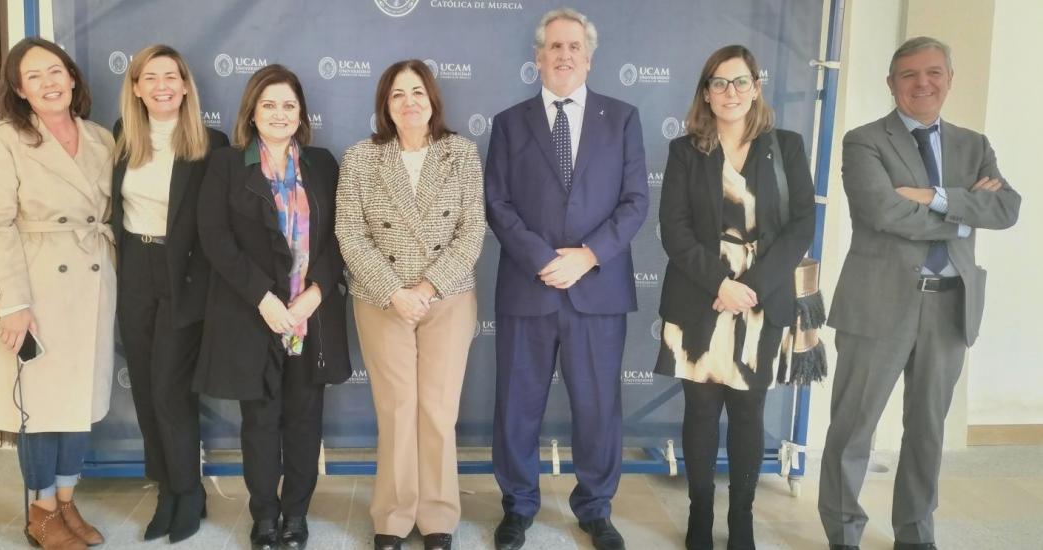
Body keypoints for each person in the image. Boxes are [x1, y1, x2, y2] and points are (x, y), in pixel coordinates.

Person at [819, 37, 1020, 550]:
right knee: (853, 429)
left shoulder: (974, 145)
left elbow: (1006, 209)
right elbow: (880, 212)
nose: (922, 83)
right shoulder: (864, 141)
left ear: (950, 79)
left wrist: (933, 197)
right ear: (892, 84)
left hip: (950, 306)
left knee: (928, 430)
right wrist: (964, 215)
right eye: (909, 74)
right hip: (877, 305)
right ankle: (843, 535)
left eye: (933, 72)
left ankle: (914, 534)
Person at [484, 8, 648, 550]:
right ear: (538, 57)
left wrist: (587, 256)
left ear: (589, 57)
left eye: (574, 46)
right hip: (528, 287)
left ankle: (596, 509)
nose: (564, 55)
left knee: (598, 408)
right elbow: (497, 203)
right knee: (517, 406)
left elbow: (635, 202)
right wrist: (542, 258)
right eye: (554, 46)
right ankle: (518, 506)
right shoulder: (510, 123)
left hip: (597, 289)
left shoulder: (621, 118)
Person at [654, 45, 815, 550]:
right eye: (719, 83)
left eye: (741, 81)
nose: (731, 92)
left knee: (748, 413)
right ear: (706, 93)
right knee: (701, 413)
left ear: (756, 87)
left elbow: (801, 226)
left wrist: (752, 287)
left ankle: (741, 519)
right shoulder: (685, 151)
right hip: (700, 294)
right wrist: (721, 285)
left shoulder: (786, 146)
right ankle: (700, 514)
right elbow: (674, 230)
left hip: (762, 299)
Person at [195, 64, 350, 550]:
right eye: (269, 105)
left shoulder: (322, 164)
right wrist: (264, 298)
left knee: (304, 421)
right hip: (254, 314)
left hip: (310, 317)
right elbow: (215, 238)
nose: (279, 114)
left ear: (301, 113)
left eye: (288, 105)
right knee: (260, 422)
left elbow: (342, 235)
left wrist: (314, 294)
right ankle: (264, 515)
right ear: (252, 112)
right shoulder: (227, 164)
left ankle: (296, 515)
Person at [0, 37, 115, 550]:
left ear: (72, 77)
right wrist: (12, 302)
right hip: (33, 285)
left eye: (55, 71)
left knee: (76, 400)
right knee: (38, 404)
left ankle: (68, 501)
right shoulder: (4, 140)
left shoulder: (101, 138)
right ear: (19, 90)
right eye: (34, 76)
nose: (49, 83)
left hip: (92, 283)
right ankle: (41, 509)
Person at [335, 59, 485, 550]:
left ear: (432, 98)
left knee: (438, 410)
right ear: (385, 104)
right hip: (382, 299)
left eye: (417, 91)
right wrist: (394, 292)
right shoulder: (361, 158)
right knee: (397, 410)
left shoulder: (461, 153)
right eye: (397, 94)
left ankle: (438, 514)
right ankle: (393, 517)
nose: (409, 102)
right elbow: (350, 234)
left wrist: (426, 288)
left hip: (447, 296)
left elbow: (472, 230)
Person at [111, 44, 229, 543]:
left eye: (170, 77)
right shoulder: (122, 137)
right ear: (136, 88)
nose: (161, 86)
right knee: (144, 387)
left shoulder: (210, 143)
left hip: (186, 276)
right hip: (135, 270)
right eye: (150, 77)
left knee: (169, 388)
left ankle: (188, 490)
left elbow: (218, 225)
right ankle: (167, 490)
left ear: (185, 86)